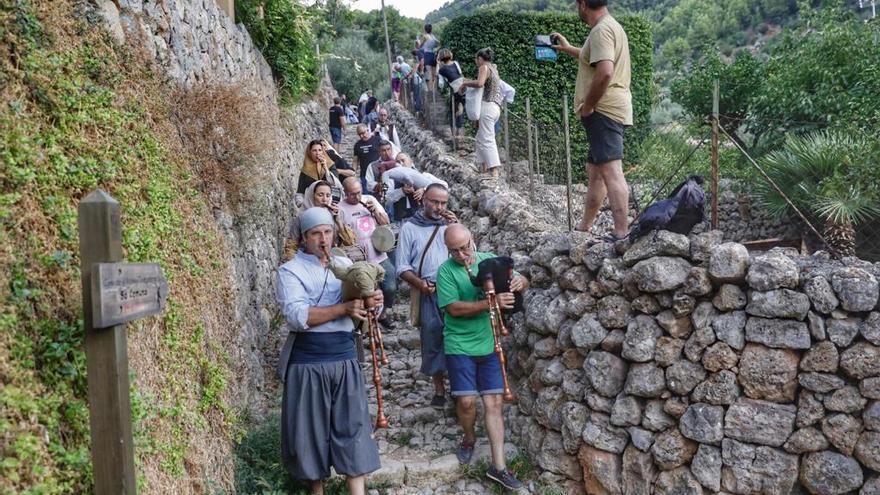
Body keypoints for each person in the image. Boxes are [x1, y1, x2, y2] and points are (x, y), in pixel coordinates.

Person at [276, 207, 383, 495]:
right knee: (310, 434)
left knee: (354, 427)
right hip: (308, 362)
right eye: (315, 234)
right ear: (303, 238)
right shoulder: (290, 272)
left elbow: (363, 307)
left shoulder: (346, 264)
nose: (322, 239)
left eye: (327, 232)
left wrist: (373, 301)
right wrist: (343, 309)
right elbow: (298, 316)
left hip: (345, 357)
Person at [436, 224, 528, 490]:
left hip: (490, 344)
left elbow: (521, 280)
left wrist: (520, 281)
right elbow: (453, 309)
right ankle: (468, 437)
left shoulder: (489, 260)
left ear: (472, 240)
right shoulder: (445, 272)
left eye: (465, 248)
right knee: (466, 402)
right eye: (455, 251)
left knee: (494, 403)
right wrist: (491, 303)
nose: (462, 256)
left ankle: (498, 467)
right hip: (459, 344)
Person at [551, 0, 632, 240]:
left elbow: (605, 71)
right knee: (595, 170)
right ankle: (584, 227)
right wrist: (568, 48)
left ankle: (621, 234)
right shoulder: (608, 27)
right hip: (610, 108)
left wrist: (588, 105)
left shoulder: (601, 30)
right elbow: (593, 58)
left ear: (583, 4)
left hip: (604, 110)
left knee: (611, 170)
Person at [397, 184, 456, 408]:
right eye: (434, 202)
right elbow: (401, 266)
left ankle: (458, 384)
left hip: (454, 291)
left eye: (443, 203)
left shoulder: (450, 225)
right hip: (429, 291)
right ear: (423, 201)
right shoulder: (409, 228)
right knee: (432, 338)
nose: (439, 207)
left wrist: (456, 226)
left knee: (455, 336)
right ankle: (439, 388)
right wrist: (420, 284)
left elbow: (468, 252)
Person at [337, 177, 398, 327]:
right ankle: (364, 324)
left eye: (358, 192)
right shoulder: (340, 208)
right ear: (345, 193)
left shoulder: (369, 199)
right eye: (352, 194)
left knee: (390, 287)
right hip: (357, 258)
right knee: (363, 292)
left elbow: (386, 223)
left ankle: (383, 314)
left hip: (378, 253)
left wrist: (375, 211)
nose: (356, 197)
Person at [459, 48, 504, 178]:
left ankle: (494, 170)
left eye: (476, 59)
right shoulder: (494, 68)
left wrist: (465, 83)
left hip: (487, 107)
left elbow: (480, 83)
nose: (475, 62)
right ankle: (483, 166)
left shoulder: (484, 67)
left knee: (487, 138)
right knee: (480, 137)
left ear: (480, 58)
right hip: (495, 107)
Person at [284, 180, 356, 261]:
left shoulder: (337, 214)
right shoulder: (302, 217)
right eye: (320, 195)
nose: (324, 199)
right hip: (309, 262)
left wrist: (339, 222)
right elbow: (291, 246)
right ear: (312, 196)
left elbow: (350, 243)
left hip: (334, 263)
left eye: (328, 195)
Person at [437, 48, 465, 133]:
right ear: (450, 55)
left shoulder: (441, 70)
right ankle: (459, 130)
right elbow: (460, 73)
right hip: (464, 85)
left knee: (455, 110)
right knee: (460, 109)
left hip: (456, 90)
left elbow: (441, 85)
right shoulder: (456, 63)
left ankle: (454, 132)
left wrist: (439, 68)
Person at [353, 124, 383, 193]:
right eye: (359, 134)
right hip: (364, 175)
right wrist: (353, 174)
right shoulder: (357, 145)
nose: (361, 136)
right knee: (367, 196)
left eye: (363, 133)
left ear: (367, 130)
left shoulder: (377, 140)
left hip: (378, 174)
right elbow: (355, 161)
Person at [419, 24, 440, 91]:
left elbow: (420, 46)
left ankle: (431, 90)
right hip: (433, 54)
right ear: (431, 29)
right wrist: (436, 49)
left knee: (429, 73)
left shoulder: (425, 36)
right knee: (434, 74)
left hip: (427, 54)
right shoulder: (433, 36)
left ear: (425, 29)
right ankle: (434, 89)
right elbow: (440, 43)